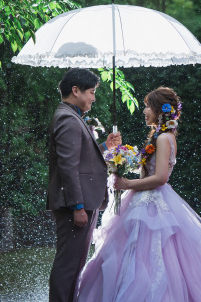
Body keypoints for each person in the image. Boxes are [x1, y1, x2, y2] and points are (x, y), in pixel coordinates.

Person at [77, 86, 201, 302]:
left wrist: (127, 184)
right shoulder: (160, 136)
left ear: (159, 111)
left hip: (152, 203)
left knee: (151, 255)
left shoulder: (163, 138)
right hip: (144, 199)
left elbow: (160, 177)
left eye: (147, 106)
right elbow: (149, 169)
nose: (144, 110)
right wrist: (121, 158)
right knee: (130, 254)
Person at [48, 68, 121, 302]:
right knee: (68, 265)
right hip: (76, 206)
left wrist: (105, 148)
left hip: (83, 203)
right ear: (75, 90)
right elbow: (68, 168)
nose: (94, 97)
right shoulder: (68, 119)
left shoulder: (73, 116)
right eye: (91, 92)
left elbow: (82, 161)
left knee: (75, 263)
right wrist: (77, 206)